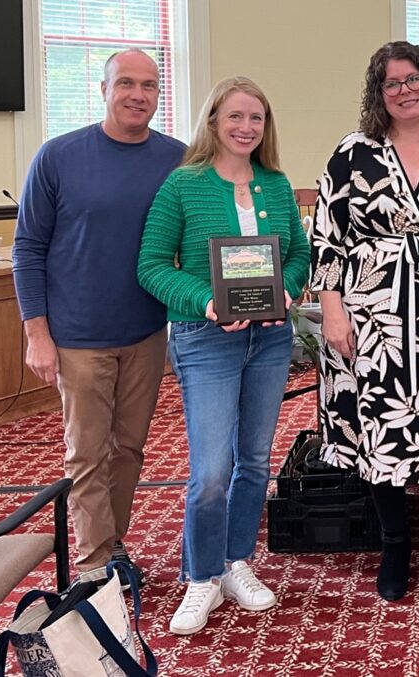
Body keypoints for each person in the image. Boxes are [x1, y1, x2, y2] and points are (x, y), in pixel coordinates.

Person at [310, 42, 419, 605]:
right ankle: (395, 544)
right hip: (369, 310)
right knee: (379, 427)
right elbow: (327, 236)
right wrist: (331, 307)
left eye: (413, 79)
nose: (405, 90)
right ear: (377, 94)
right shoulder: (353, 152)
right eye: (392, 83)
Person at [137, 76, 310, 635]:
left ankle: (237, 563)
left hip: (269, 340)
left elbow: (299, 255)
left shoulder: (276, 185)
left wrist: (287, 288)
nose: (246, 128)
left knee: (255, 462)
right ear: (213, 121)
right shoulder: (182, 186)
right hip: (205, 338)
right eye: (235, 116)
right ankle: (202, 576)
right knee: (211, 471)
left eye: (256, 118)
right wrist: (207, 301)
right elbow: (152, 266)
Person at [12, 49, 186, 586]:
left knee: (129, 448)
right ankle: (91, 564)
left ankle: (113, 545)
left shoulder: (178, 159)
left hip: (146, 331)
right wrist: (36, 334)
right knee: (86, 453)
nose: (138, 95)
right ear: (103, 88)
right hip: (77, 336)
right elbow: (27, 248)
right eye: (127, 83)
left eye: (150, 86)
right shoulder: (58, 155)